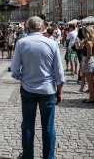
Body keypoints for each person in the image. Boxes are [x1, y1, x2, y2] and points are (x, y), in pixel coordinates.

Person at [11, 17, 66, 159]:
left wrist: (21, 77)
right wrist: (59, 91)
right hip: (47, 90)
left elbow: (15, 69)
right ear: (42, 28)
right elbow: (59, 72)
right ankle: (49, 157)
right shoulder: (52, 44)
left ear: (27, 28)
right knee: (48, 126)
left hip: (28, 89)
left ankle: (28, 156)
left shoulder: (21, 43)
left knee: (28, 124)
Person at [81, 26, 94, 104]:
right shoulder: (92, 41)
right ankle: (92, 97)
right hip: (91, 61)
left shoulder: (89, 42)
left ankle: (91, 98)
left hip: (88, 62)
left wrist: (84, 63)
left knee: (90, 82)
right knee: (91, 82)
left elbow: (89, 54)